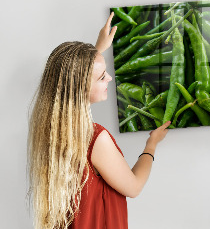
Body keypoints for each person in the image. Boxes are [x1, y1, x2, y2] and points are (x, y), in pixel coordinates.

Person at [27, 13, 171, 229]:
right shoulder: (95, 139)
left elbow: (73, 76)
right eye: (102, 76)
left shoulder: (49, 127)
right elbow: (134, 187)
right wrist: (152, 144)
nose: (110, 79)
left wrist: (97, 49)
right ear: (81, 87)